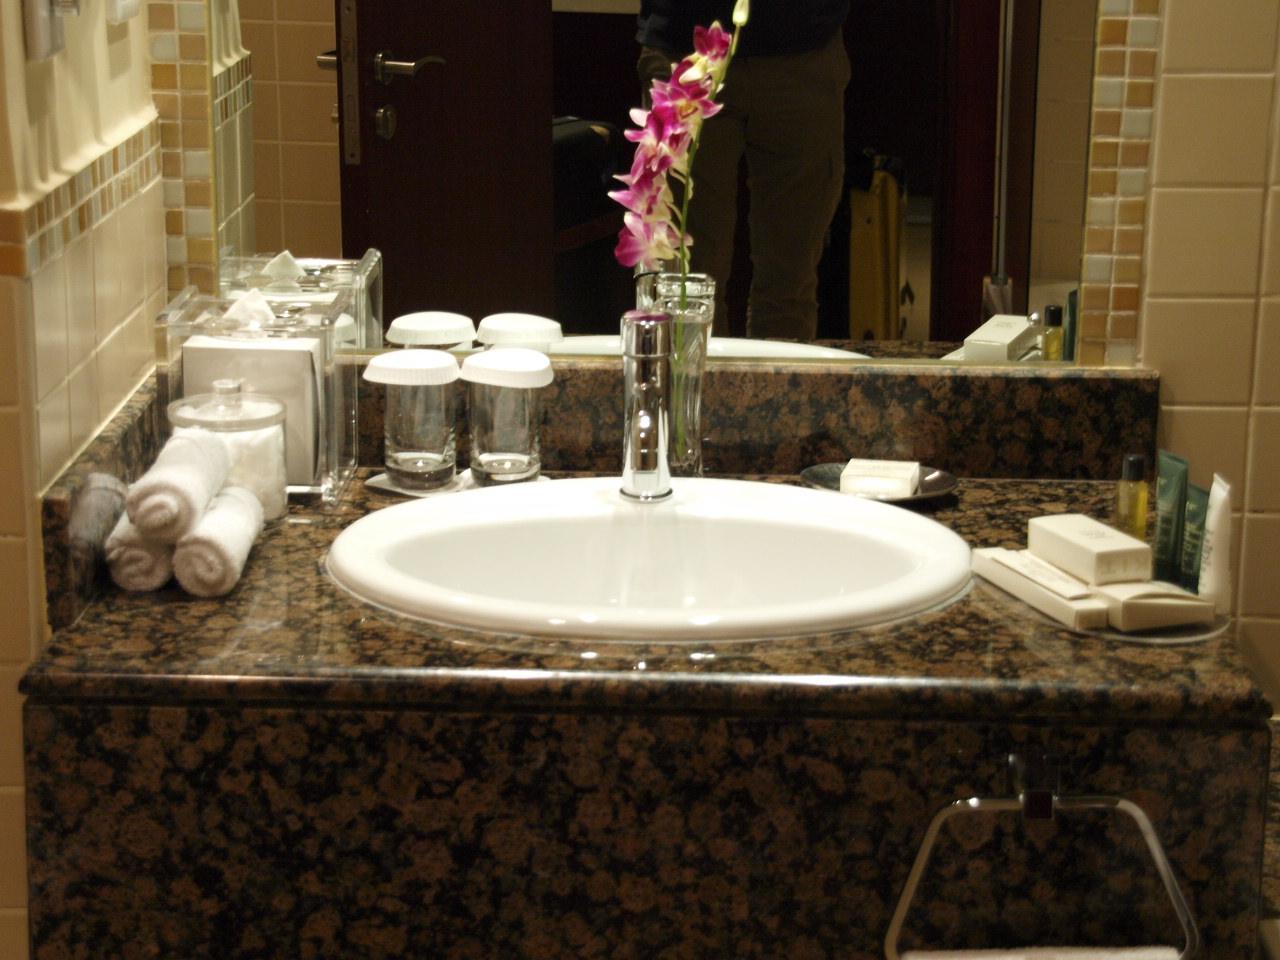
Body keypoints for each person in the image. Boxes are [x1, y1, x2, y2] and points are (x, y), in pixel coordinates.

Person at [636, 0, 851, 340]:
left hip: (805, 48)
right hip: (684, 47)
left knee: (790, 286)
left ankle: (779, 378)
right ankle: (689, 378)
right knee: (684, 286)